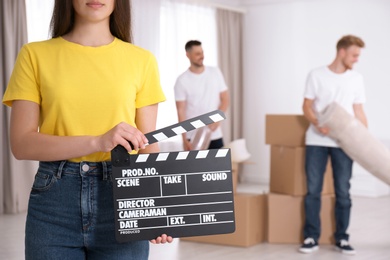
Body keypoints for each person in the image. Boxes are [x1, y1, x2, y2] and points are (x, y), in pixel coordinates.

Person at [2, 0, 173, 259]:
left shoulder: (142, 60)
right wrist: (97, 142)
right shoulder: (34, 54)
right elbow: (22, 144)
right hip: (54, 202)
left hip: (123, 194)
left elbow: (148, 144)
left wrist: (156, 209)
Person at [299, 35, 368, 255]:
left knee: (343, 192)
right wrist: (317, 123)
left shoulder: (356, 78)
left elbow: (358, 111)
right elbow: (307, 106)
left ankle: (342, 238)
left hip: (343, 142)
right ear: (342, 52)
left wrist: (364, 139)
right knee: (313, 191)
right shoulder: (316, 75)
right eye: (354, 55)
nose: (356, 59)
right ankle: (310, 237)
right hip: (316, 140)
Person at [174, 40, 229, 150]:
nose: (202, 56)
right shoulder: (182, 81)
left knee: (219, 167)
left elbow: (225, 99)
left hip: (215, 135)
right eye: (197, 54)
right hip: (192, 136)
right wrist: (184, 139)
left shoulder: (215, 72)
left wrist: (217, 119)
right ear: (188, 55)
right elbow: (181, 111)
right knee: (195, 167)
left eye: (202, 52)